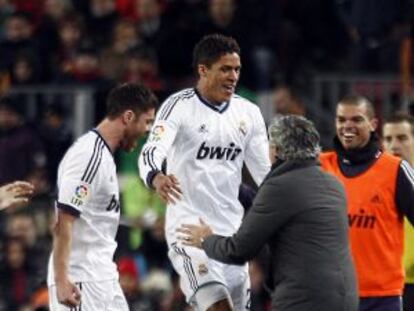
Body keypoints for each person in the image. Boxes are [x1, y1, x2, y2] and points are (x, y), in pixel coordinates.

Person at [138, 33, 271, 311]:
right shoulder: (179, 106)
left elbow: (267, 176)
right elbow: (151, 151)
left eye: (237, 69)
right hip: (189, 234)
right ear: (203, 70)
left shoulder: (249, 113)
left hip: (232, 239)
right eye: (225, 69)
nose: (233, 76)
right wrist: (156, 176)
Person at [176, 115, 358, 311]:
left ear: (276, 150)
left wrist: (206, 240)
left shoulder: (279, 187)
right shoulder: (334, 184)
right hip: (346, 297)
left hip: (304, 299)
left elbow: (238, 250)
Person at [47, 83, 157, 310]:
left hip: (103, 275)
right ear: (128, 116)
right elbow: (62, 221)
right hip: (80, 278)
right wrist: (61, 280)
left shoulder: (104, 157)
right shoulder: (89, 156)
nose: (148, 130)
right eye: (147, 122)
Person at [319, 95, 414, 311]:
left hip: (381, 298)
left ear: (373, 124)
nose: (348, 126)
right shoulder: (320, 166)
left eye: (357, 120)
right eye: (341, 120)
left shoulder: (396, 170)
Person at [382, 113, 414, 311]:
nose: (394, 145)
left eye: (402, 138)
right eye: (388, 139)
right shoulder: (373, 184)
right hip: (386, 285)